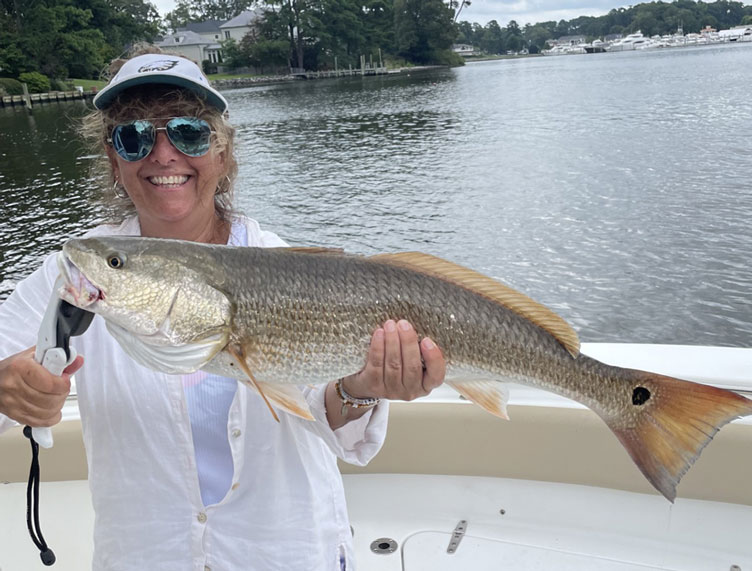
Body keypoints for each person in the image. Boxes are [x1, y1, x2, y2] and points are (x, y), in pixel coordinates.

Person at [0, 46, 446, 570]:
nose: (163, 155)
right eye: (134, 136)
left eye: (189, 132)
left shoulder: (285, 267)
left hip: (285, 551)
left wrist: (364, 389)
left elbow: (327, 417)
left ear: (222, 153)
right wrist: (9, 390)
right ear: (113, 160)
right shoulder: (84, 272)